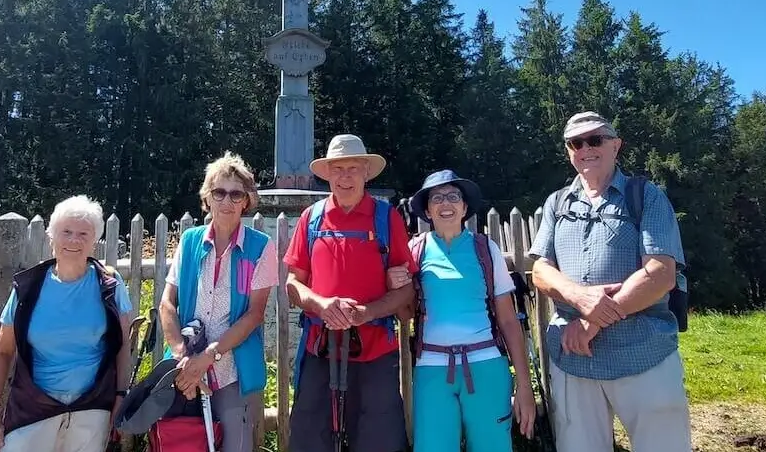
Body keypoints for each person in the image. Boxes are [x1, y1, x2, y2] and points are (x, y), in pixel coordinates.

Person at [527, 111, 692, 452]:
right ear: (568, 151)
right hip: (573, 358)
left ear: (616, 145)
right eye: (576, 142)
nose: (586, 148)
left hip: (642, 350)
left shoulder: (646, 196)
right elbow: (541, 271)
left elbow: (661, 273)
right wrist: (578, 297)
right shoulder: (556, 202)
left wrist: (590, 322)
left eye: (595, 139)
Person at [284, 134, 417, 452]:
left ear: (366, 173)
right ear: (327, 174)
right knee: (311, 440)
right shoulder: (311, 219)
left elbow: (406, 289)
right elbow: (293, 283)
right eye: (338, 169)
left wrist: (367, 312)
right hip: (320, 347)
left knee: (377, 442)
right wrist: (321, 304)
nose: (345, 177)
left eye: (353, 168)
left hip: (376, 351)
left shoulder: (387, 219)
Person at [0, 195, 135, 452]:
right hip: (34, 407)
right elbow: (3, 351)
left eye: (83, 234)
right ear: (52, 237)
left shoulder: (110, 284)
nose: (74, 240)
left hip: (92, 407)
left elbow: (122, 346)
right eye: (66, 232)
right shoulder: (29, 288)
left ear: (94, 241)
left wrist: (120, 396)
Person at [405, 169, 538, 451]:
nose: (445, 203)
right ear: (427, 210)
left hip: (486, 365)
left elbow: (508, 321)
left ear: (464, 207)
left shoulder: (486, 249)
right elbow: (404, 312)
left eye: (453, 196)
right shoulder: (414, 251)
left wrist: (524, 385)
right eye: (437, 198)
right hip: (432, 369)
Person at [158, 152, 279, 452]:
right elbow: (166, 303)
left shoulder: (260, 248)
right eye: (219, 192)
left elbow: (254, 315)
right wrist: (182, 358)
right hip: (184, 366)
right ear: (207, 198)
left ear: (246, 201)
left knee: (237, 446)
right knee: (181, 443)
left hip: (231, 370)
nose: (227, 201)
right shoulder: (189, 242)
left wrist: (208, 358)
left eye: (236, 193)